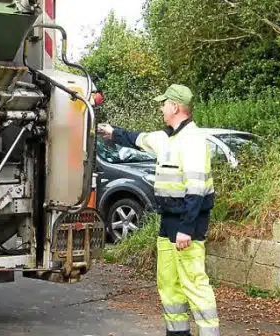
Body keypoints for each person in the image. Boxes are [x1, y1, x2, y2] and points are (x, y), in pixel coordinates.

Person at [98, 84, 220, 336]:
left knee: (194, 283)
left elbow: (196, 190)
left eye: (164, 104)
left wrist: (186, 228)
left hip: (188, 223)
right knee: (168, 283)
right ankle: (177, 333)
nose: (161, 108)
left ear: (175, 106)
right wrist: (113, 133)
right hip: (168, 221)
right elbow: (139, 138)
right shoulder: (167, 138)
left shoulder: (193, 141)